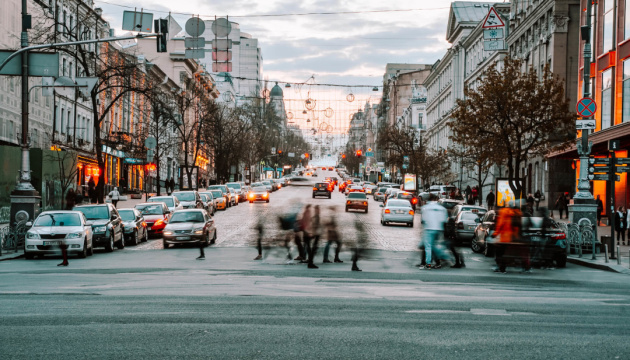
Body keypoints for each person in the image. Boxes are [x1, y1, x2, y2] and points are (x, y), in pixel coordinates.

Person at [419, 194, 451, 270]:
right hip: (438, 229)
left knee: (428, 246)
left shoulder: (425, 208)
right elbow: (444, 220)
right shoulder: (442, 208)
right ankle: (441, 258)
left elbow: (423, 220)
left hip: (429, 228)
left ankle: (428, 263)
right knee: (435, 245)